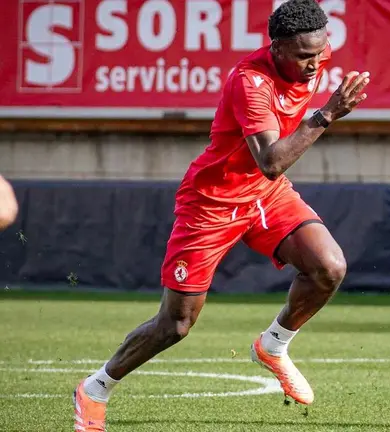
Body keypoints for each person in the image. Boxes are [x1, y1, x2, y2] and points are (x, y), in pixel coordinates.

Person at [73, 0, 371, 430]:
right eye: (304, 55)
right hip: (212, 203)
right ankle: (95, 389)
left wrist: (322, 106)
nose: (315, 63)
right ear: (279, 49)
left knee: (328, 266)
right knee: (175, 325)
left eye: (321, 52)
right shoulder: (250, 82)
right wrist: (326, 115)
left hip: (265, 195)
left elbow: (268, 175)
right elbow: (271, 159)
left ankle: (273, 345)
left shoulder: (314, 53)